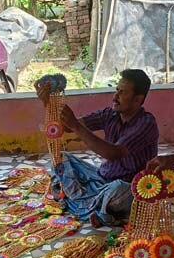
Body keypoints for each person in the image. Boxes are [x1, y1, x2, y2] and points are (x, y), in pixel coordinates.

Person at [35, 69, 159, 227]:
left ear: (137, 100)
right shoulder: (110, 114)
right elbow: (67, 127)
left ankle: (77, 201)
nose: (115, 96)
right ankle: (97, 208)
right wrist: (49, 103)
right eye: (116, 90)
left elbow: (112, 153)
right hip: (101, 178)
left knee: (119, 190)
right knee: (61, 158)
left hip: (128, 187)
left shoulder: (146, 123)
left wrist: (75, 125)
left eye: (122, 93)